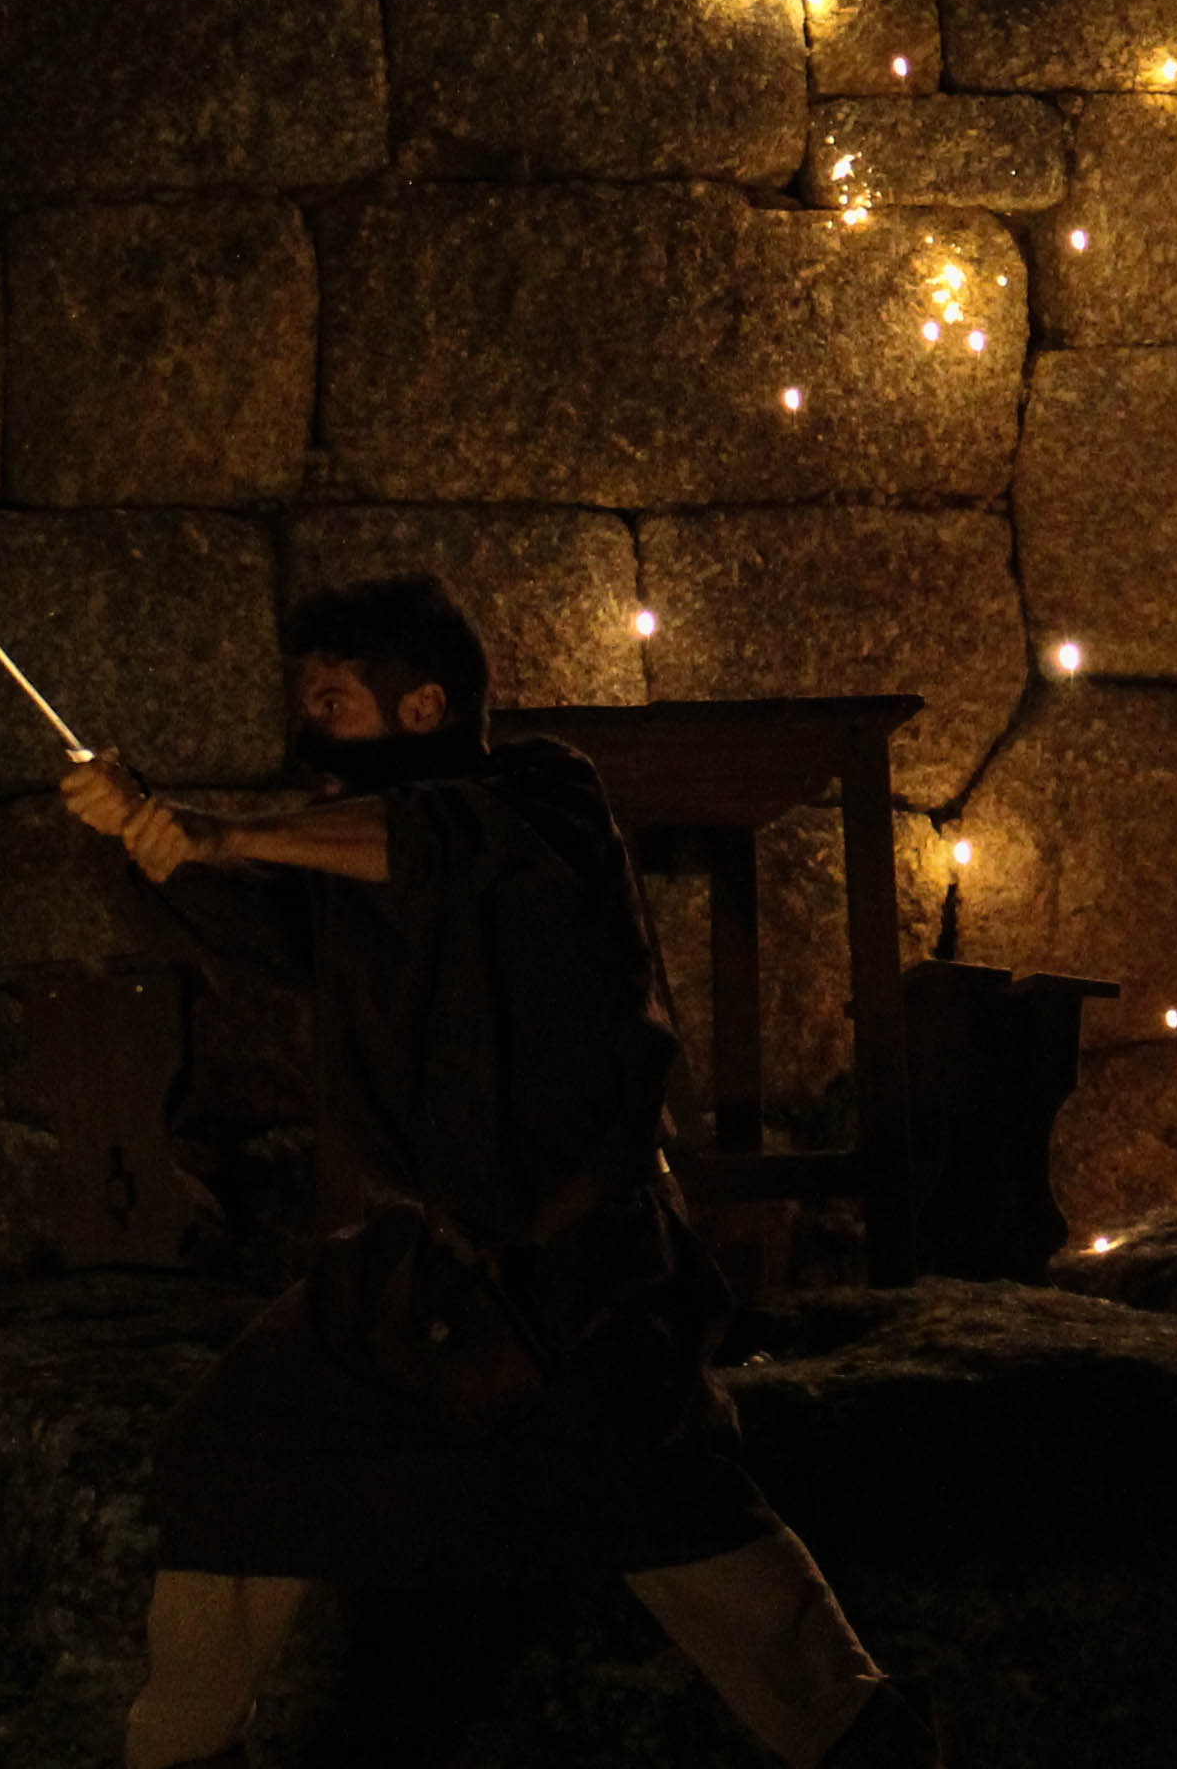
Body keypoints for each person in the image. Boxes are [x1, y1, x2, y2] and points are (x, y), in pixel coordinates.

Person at [57, 575, 935, 1768]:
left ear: (422, 707)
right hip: (412, 1282)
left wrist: (218, 826)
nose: (309, 729)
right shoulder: (341, 871)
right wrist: (145, 840)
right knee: (226, 1467)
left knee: (714, 1561)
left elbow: (433, 844)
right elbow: (255, 914)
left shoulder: (545, 801)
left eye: (333, 701)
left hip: (583, 1286)